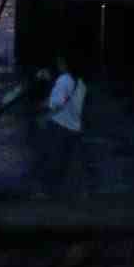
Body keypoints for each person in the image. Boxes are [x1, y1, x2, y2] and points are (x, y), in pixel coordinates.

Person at [37, 55, 86, 192]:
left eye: (59, 61)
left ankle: (47, 192)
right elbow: (64, 98)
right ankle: (68, 191)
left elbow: (57, 104)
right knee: (65, 161)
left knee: (53, 160)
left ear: (63, 64)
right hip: (74, 126)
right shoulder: (80, 82)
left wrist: (44, 117)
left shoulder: (64, 80)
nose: (57, 64)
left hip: (60, 126)